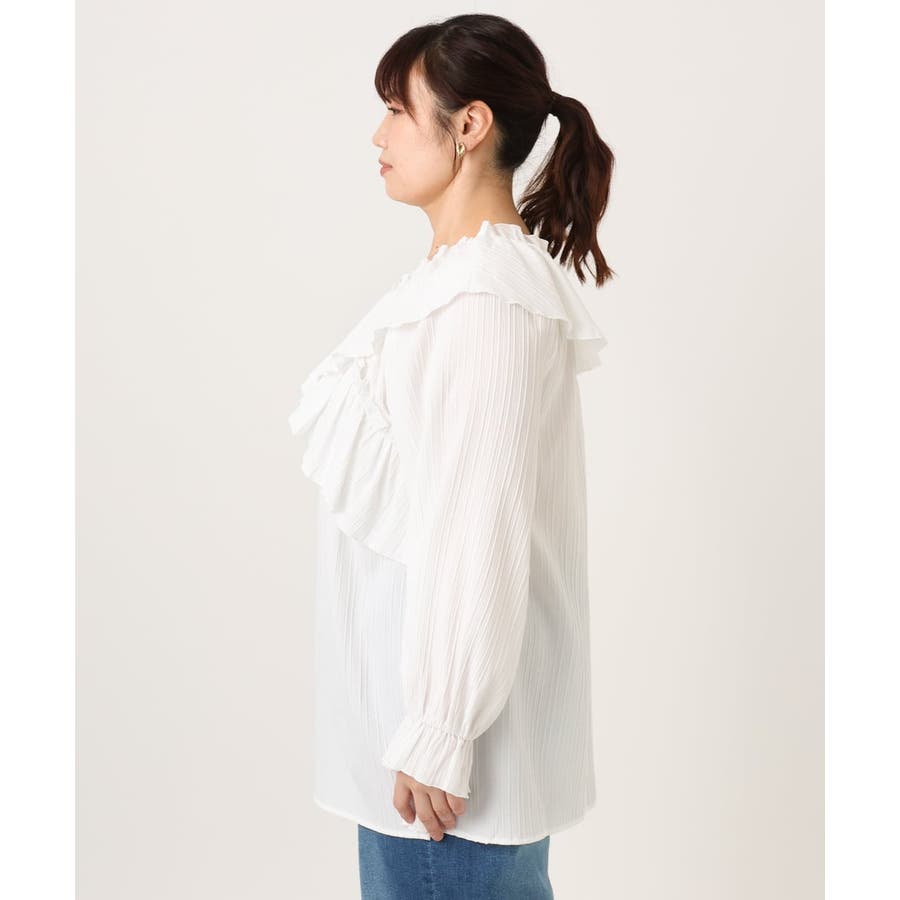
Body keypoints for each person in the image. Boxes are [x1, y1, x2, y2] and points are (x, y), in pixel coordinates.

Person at [288, 13, 615, 899]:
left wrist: (440, 725)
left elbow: (479, 528)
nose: (378, 134)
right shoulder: (453, 285)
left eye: (398, 109)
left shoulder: (486, 300)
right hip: (420, 754)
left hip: (446, 774)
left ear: (468, 125)